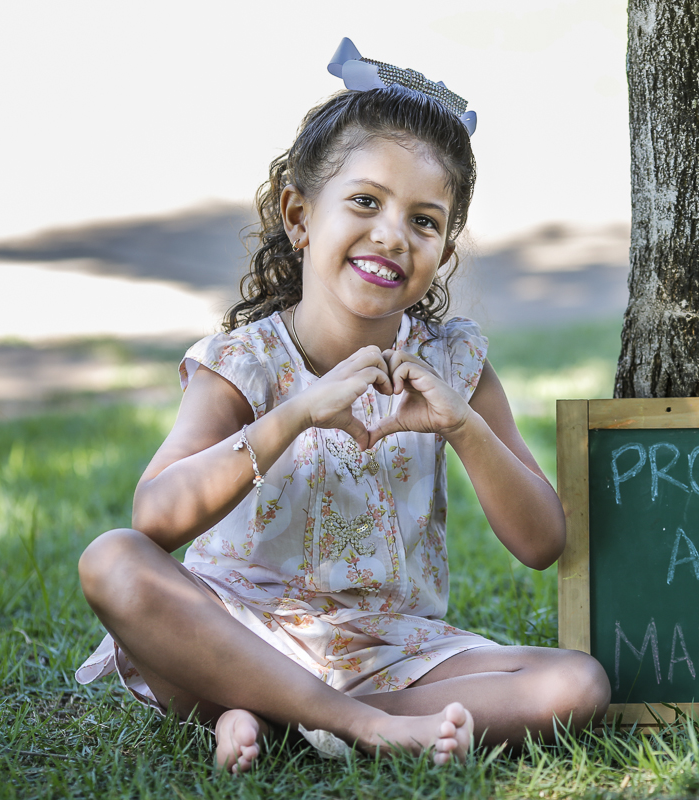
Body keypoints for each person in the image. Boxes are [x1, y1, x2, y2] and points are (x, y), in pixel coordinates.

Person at [75, 39, 610, 774]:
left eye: (425, 220)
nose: (392, 233)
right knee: (114, 562)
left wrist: (464, 425)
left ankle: (278, 717)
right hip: (232, 632)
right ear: (299, 215)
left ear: (443, 253)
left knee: (575, 683)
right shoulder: (243, 362)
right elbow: (155, 519)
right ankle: (359, 725)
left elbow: (541, 541)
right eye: (365, 201)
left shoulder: (454, 364)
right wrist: (296, 413)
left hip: (389, 648)